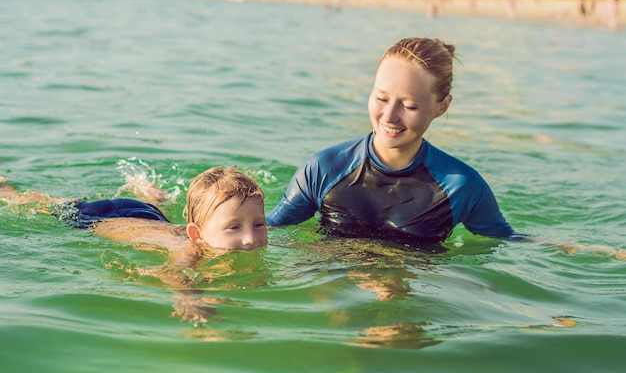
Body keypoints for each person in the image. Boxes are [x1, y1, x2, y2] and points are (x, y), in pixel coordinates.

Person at [267, 37, 520, 247]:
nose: (388, 116)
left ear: (442, 106)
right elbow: (270, 228)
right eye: (381, 98)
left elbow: (507, 241)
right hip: (336, 282)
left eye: (409, 105)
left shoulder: (462, 187)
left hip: (414, 289)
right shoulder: (324, 168)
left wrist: (555, 245)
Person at [1, 166, 268, 275]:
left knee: (159, 214)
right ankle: (8, 191)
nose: (251, 238)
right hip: (102, 217)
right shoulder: (189, 251)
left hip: (150, 216)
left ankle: (148, 194)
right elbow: (175, 276)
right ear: (197, 235)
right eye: (234, 227)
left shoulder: (225, 236)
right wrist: (191, 301)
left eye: (259, 224)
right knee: (51, 206)